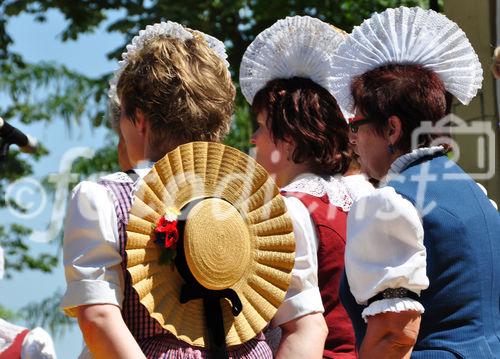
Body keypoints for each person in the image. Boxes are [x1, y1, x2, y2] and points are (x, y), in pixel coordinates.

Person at [61, 21, 276, 358]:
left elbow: (98, 316)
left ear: (140, 119)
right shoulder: (262, 201)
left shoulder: (102, 198)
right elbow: (304, 322)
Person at [329, 6, 500, 358]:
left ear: (391, 128)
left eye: (356, 125)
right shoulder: (476, 193)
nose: (353, 140)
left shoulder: (387, 204)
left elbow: (393, 337)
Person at [240, 16, 370, 358]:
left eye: (262, 126)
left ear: (291, 136)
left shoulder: (289, 208)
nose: (253, 138)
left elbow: (303, 329)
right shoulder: (368, 194)